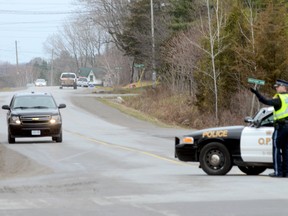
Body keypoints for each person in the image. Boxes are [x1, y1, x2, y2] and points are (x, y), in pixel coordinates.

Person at [250, 79, 288, 177]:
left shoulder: (279, 99)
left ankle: (278, 172)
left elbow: (266, 101)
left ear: (284, 87)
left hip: (280, 127)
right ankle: (286, 172)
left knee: (276, 149)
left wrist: (257, 93)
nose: (276, 88)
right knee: (286, 150)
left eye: (278, 86)